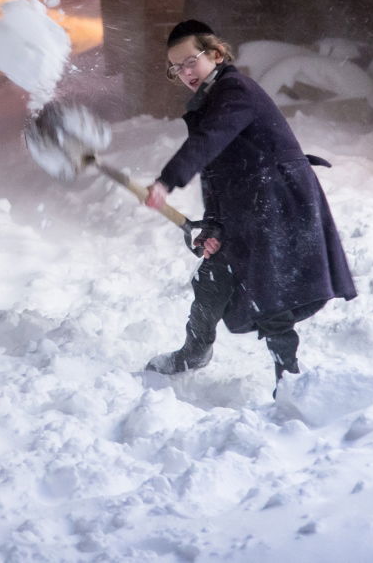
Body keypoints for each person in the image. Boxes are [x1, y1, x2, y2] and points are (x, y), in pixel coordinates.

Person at [143, 19, 356, 394]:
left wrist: (168, 179)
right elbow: (215, 169)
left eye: (190, 62)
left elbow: (208, 143)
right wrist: (213, 225)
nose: (184, 73)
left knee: (269, 291)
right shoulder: (209, 101)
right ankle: (194, 351)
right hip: (249, 200)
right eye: (176, 68)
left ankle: (289, 380)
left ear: (217, 54)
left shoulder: (234, 90)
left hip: (277, 199)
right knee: (212, 274)